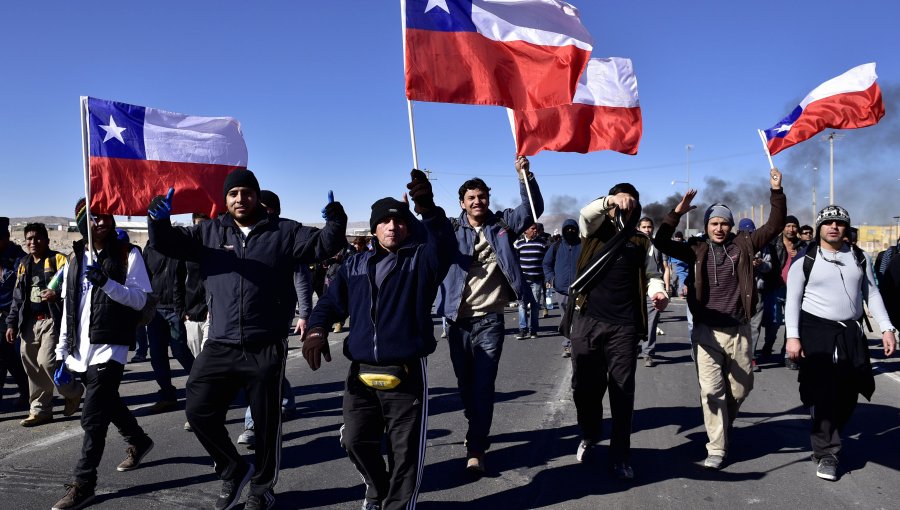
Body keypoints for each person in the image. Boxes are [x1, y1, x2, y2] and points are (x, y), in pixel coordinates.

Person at [147, 169, 347, 510]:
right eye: (234, 193)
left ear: (257, 196)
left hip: (265, 344)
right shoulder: (209, 232)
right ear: (225, 200)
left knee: (266, 425)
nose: (240, 199)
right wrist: (158, 221)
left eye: (246, 192)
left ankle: (262, 488)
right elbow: (167, 244)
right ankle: (233, 467)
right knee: (197, 410)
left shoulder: (283, 231)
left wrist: (335, 222)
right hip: (221, 343)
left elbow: (323, 246)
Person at [303, 170, 453, 510]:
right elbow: (329, 303)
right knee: (355, 440)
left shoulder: (421, 260)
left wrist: (426, 206)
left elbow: (443, 243)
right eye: (384, 221)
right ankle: (376, 486)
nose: (392, 226)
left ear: (407, 225)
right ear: (374, 229)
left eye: (398, 221)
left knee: (405, 452)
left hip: (405, 372)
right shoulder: (354, 265)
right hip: (360, 374)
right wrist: (316, 329)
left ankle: (398, 506)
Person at [654, 168, 785, 470]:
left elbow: (776, 224)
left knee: (741, 388)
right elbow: (661, 241)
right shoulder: (695, 249)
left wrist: (776, 191)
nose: (719, 228)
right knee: (712, 391)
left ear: (731, 226)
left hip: (738, 330)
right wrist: (676, 213)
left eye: (724, 223)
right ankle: (717, 448)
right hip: (706, 333)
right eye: (714, 223)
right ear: (707, 225)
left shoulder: (745, 245)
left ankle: (722, 425)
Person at [436, 156, 543, 474]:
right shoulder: (451, 229)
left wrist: (525, 177)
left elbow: (532, 210)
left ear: (488, 199)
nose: (477, 201)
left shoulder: (503, 225)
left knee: (483, 384)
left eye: (482, 196)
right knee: (466, 386)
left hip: (491, 319)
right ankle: (476, 426)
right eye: (471, 198)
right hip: (457, 320)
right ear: (462, 203)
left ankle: (476, 447)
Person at [51, 200, 155, 510]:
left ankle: (84, 485)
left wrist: (107, 283)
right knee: (109, 402)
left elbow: (138, 300)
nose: (101, 223)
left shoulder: (127, 254)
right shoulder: (73, 260)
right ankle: (138, 440)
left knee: (93, 417)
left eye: (106, 216)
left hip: (111, 347)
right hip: (80, 351)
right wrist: (61, 353)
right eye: (93, 217)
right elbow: (69, 311)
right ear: (82, 221)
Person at [785, 205, 896, 482]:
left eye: (839, 223)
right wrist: (793, 337)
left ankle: (827, 428)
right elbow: (792, 302)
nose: (833, 227)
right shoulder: (805, 260)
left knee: (850, 392)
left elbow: (872, 294)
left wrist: (886, 328)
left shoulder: (858, 257)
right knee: (825, 393)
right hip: (817, 332)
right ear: (819, 228)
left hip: (851, 333)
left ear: (846, 228)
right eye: (828, 222)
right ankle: (827, 453)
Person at [568, 184, 668, 480]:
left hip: (624, 327)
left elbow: (653, 274)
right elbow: (586, 214)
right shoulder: (593, 232)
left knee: (622, 393)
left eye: (630, 205)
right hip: (588, 322)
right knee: (584, 388)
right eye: (618, 204)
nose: (624, 209)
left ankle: (620, 455)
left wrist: (659, 291)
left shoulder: (640, 241)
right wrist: (610, 200)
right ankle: (589, 433)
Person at [5, 223, 83, 426]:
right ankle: (41, 410)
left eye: (37, 238)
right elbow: (17, 298)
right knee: (31, 366)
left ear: (47, 240)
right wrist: (11, 323)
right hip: (28, 323)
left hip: (51, 321)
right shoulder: (23, 264)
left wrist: (57, 295)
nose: (33, 242)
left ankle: (73, 391)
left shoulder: (59, 260)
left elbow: (74, 289)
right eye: (29, 239)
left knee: (47, 363)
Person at [142, 241, 194, 413]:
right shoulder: (149, 249)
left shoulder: (179, 247)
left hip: (176, 309)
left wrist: (185, 307)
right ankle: (167, 396)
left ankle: (204, 388)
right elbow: (143, 278)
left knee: (180, 351)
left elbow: (191, 278)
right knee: (157, 355)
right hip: (155, 310)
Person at [762, 214, 807, 369]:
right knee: (773, 322)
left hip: (796, 290)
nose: (791, 229)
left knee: (792, 323)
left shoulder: (803, 246)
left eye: (794, 226)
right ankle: (768, 346)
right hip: (776, 288)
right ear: (783, 228)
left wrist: (800, 257)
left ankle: (788, 355)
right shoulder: (773, 244)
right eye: (788, 226)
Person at [0, 216, 29, 409]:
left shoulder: (19, 258)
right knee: (9, 358)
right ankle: (27, 391)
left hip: (10, 315)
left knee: (3, 356)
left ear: (6, 237)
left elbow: (21, 291)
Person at [737, 218, 772, 372]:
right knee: (737, 326)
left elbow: (769, 266)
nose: (748, 236)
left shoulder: (763, 246)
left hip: (757, 291)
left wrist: (760, 264)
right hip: (738, 293)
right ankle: (736, 355)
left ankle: (750, 357)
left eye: (750, 233)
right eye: (745, 233)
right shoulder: (733, 245)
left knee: (754, 326)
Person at [543, 219, 582, 357]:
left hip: (580, 290)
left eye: (573, 229)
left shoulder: (583, 245)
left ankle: (579, 344)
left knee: (580, 318)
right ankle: (567, 345)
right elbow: (546, 265)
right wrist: (552, 279)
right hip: (562, 290)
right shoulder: (556, 246)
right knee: (565, 318)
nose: (570, 231)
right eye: (567, 229)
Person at [637, 216, 670, 367]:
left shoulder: (658, 245)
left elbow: (665, 267)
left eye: (649, 227)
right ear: (638, 228)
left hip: (654, 284)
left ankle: (648, 353)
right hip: (635, 286)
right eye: (644, 227)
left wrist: (665, 288)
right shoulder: (633, 243)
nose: (647, 230)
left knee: (652, 321)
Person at [513, 223, 548, 339]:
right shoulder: (519, 244)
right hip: (523, 281)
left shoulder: (542, 243)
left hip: (537, 280)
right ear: (525, 231)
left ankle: (533, 330)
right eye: (532, 228)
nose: (535, 231)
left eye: (536, 229)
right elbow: (515, 262)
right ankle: (522, 329)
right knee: (522, 305)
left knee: (535, 305)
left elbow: (546, 262)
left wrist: (547, 278)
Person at [183, 213, 210, 358]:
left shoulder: (217, 248)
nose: (201, 227)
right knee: (196, 356)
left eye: (205, 223)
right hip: (191, 314)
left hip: (211, 314)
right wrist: (182, 311)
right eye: (199, 223)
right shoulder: (186, 249)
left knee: (208, 355)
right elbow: (178, 281)